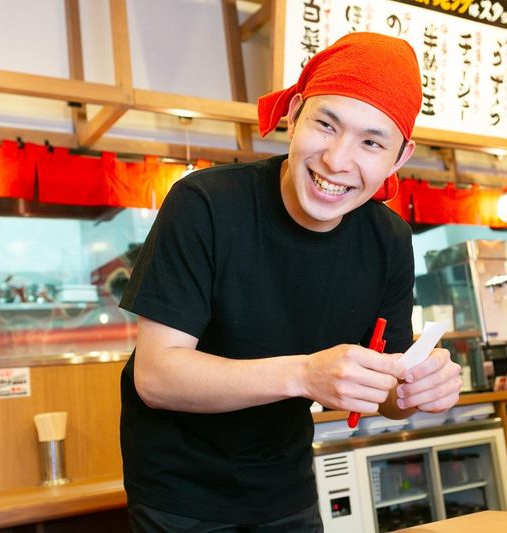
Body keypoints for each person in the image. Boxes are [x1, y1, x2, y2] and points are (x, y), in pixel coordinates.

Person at [119, 31, 462, 532]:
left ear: (399, 157)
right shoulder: (207, 204)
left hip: (287, 484)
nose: (337, 160)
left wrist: (413, 389)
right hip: (178, 491)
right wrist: (304, 374)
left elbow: (387, 392)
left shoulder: (388, 239)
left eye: (371, 142)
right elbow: (156, 377)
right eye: (326, 124)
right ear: (295, 113)